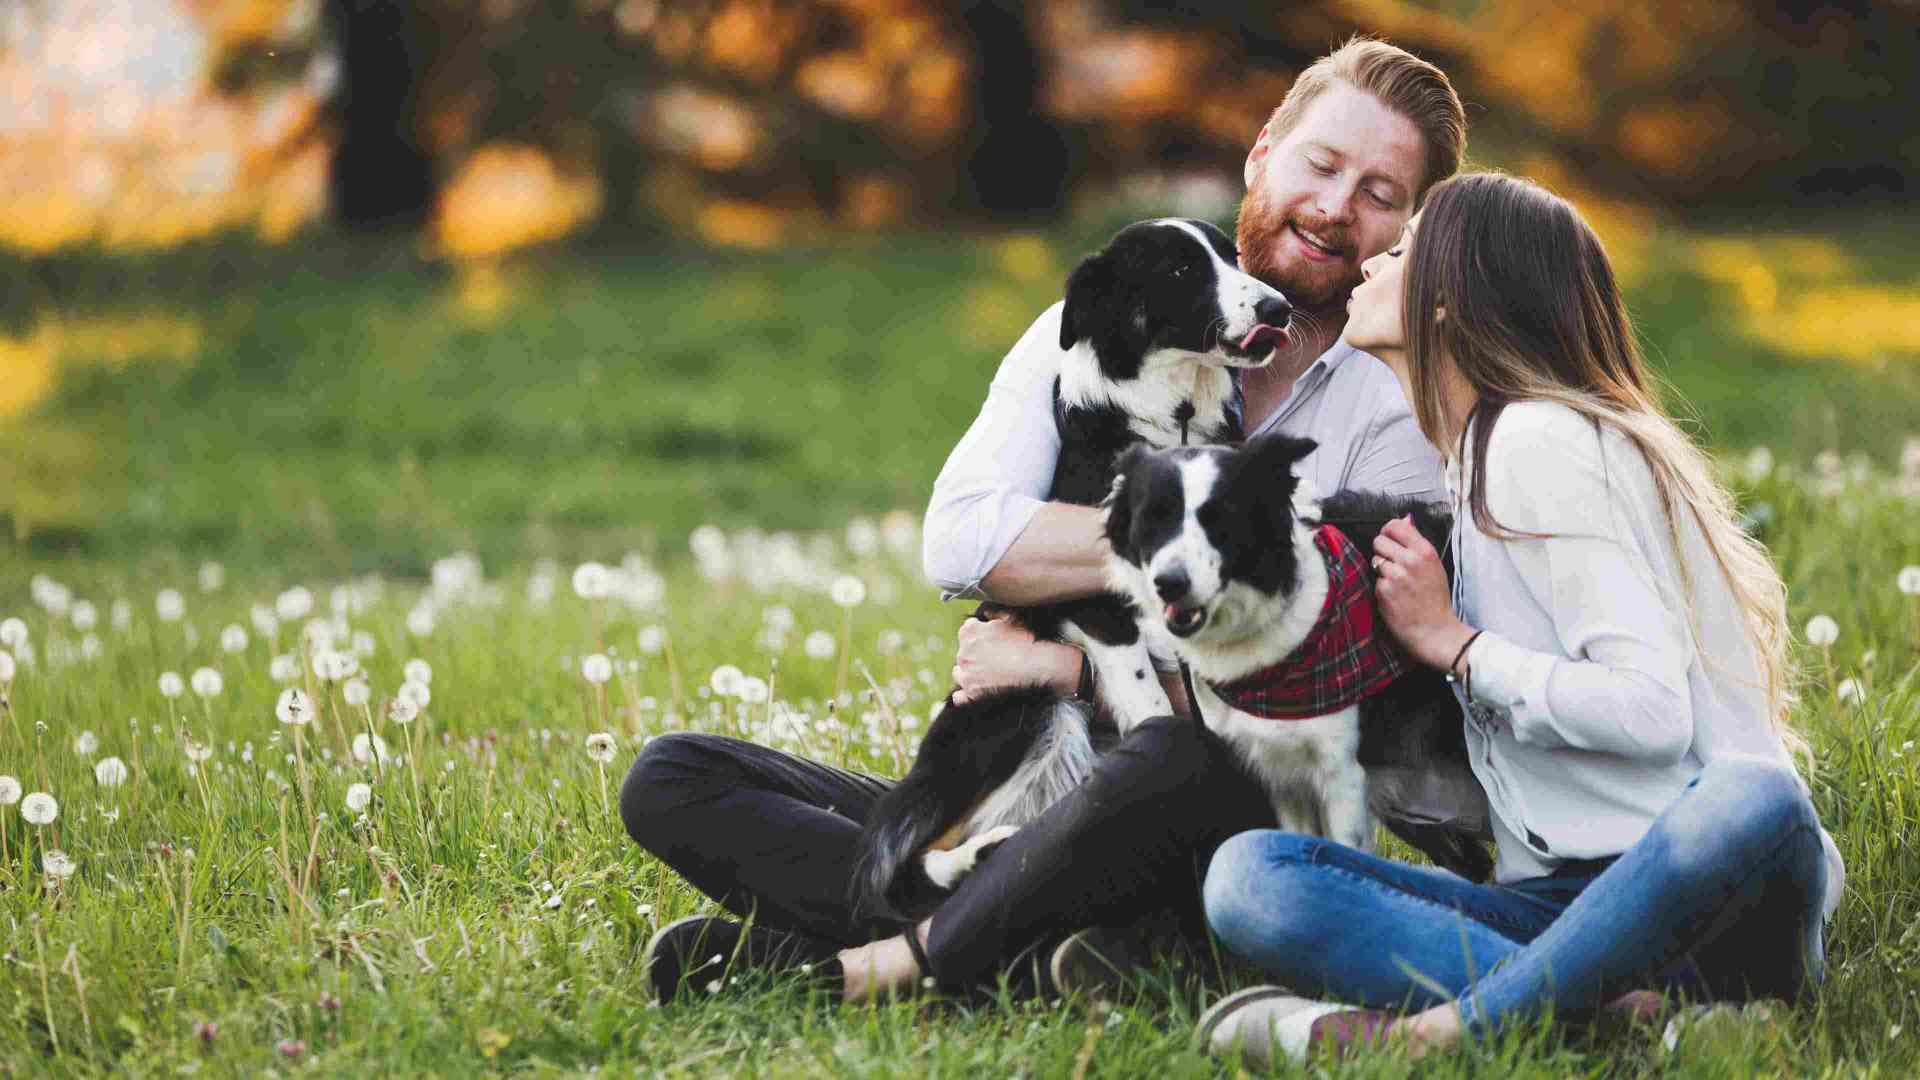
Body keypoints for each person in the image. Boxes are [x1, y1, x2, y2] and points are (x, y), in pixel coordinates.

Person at [621, 37, 1469, 1004]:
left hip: (1200, 799)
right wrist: (1209, 541)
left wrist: (1068, 660)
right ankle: (1034, 947)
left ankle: (879, 965)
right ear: (1263, 152)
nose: (1335, 207)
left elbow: (1332, 672)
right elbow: (966, 540)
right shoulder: (1110, 315)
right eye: (1322, 165)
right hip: (1028, 789)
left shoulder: (1393, 406)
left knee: (1170, 754)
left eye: (1380, 192)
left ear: (1412, 225)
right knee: (673, 777)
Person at [1193, 171, 1847, 1065]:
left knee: (1755, 795)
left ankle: (1440, 1035)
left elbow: (1653, 715)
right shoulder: (1465, 464)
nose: (1379, 258)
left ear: (1449, 303)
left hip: (1710, 894)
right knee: (1251, 879)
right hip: (1570, 908)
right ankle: (1615, 1016)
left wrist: (1457, 647)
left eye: (1408, 248)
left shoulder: (1537, 439)